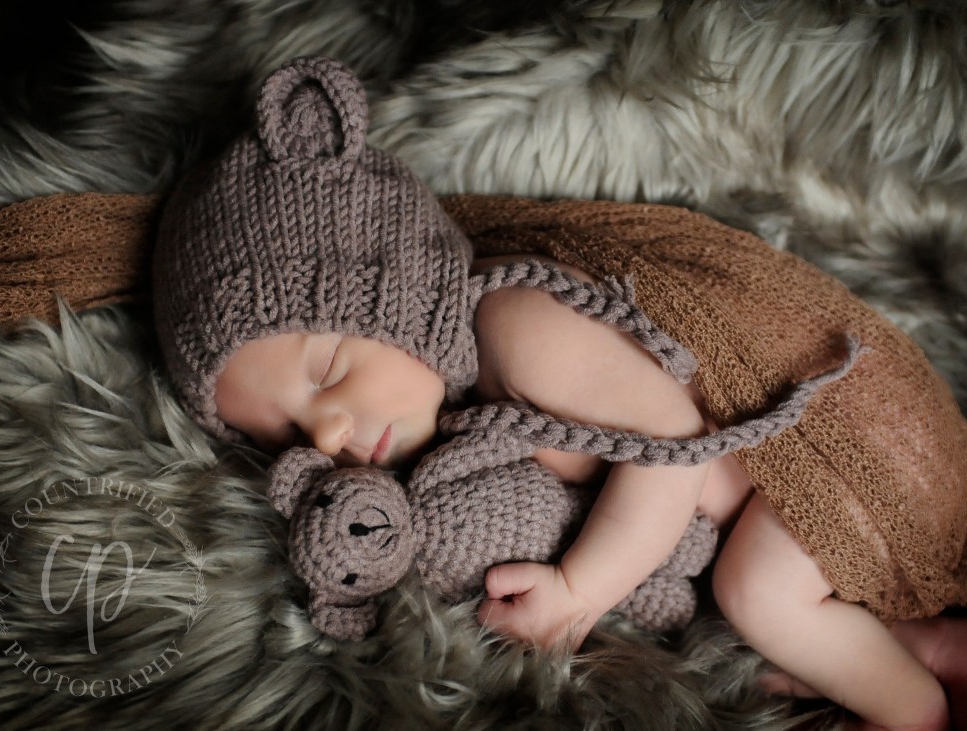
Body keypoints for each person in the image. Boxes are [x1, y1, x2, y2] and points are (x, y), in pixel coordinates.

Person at [152, 57, 967, 730]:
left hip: (847, 445)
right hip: (778, 504)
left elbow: (672, 446)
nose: (327, 434)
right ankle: (927, 649)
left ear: (399, 294)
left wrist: (582, 592)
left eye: (330, 371)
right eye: (287, 434)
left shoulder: (517, 322)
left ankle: (911, 708)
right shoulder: (448, 404)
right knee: (762, 625)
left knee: (756, 595)